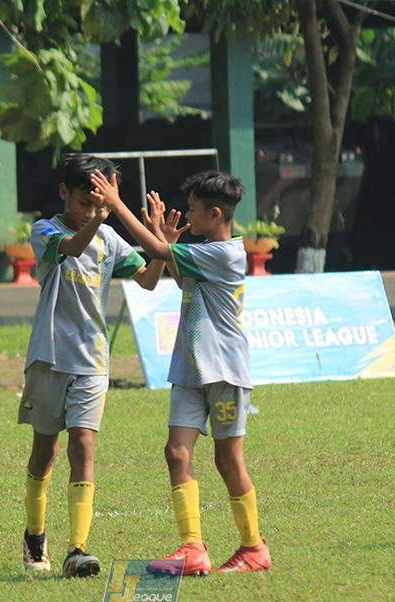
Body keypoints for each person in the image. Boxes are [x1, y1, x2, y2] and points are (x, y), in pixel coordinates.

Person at [91, 169, 272, 575]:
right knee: (176, 453)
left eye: (192, 211)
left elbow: (156, 251)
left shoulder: (224, 252)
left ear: (215, 213)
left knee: (229, 463)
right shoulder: (204, 252)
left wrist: (119, 204)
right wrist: (166, 246)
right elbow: (178, 275)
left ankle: (253, 547)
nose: (187, 218)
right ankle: (192, 548)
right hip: (190, 371)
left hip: (224, 371)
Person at [18, 153, 168, 578]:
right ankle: (34, 536)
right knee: (44, 451)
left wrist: (158, 242)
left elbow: (149, 280)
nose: (94, 210)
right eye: (87, 201)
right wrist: (101, 218)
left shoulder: (109, 239)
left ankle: (76, 549)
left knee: (83, 444)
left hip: (93, 360)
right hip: (49, 356)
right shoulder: (45, 230)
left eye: (101, 202)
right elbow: (69, 248)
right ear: (64, 193)